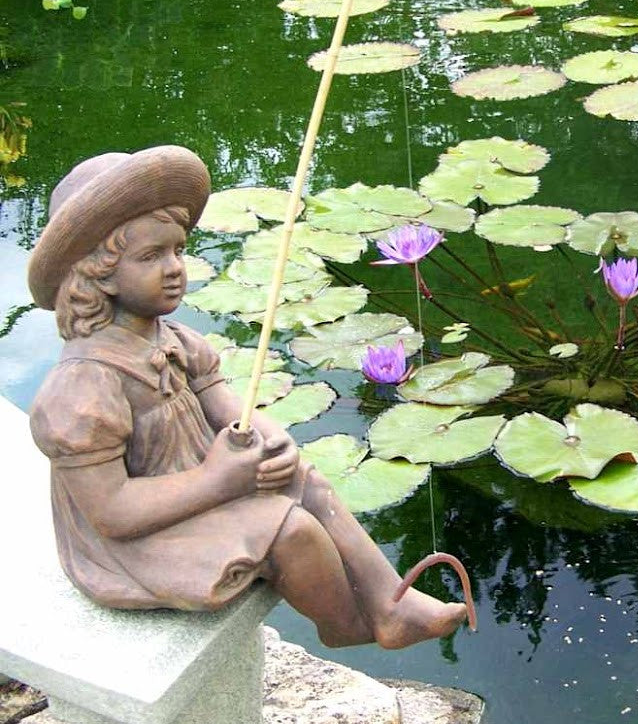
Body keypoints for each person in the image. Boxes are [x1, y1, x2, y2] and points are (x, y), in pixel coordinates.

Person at [27, 145, 468, 649]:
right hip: (133, 542)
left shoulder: (175, 341)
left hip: (193, 490)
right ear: (94, 275)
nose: (174, 268)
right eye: (150, 256)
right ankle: (347, 625)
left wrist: (267, 437)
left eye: (177, 250)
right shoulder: (82, 388)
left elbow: (227, 410)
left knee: (308, 482)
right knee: (289, 530)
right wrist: (218, 480)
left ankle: (391, 600)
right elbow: (113, 513)